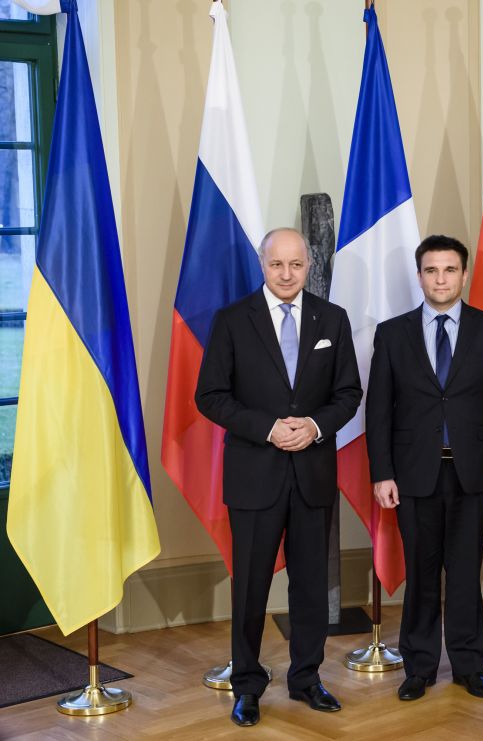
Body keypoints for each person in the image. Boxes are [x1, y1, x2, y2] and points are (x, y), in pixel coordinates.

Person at [196, 227, 362, 726]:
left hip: (312, 473)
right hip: (255, 475)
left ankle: (306, 678)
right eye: (276, 265)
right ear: (262, 265)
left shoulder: (332, 318)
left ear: (308, 265)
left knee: (311, 585)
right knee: (249, 586)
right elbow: (211, 396)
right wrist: (268, 429)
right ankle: (247, 684)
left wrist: (312, 426)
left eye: (295, 265)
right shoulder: (231, 321)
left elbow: (349, 393)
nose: (286, 274)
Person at [366, 235, 483, 702]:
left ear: (463, 274)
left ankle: (470, 666)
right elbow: (379, 410)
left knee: (464, 570)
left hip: (473, 473)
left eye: (449, 270)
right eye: (432, 270)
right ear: (420, 276)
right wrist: (382, 472)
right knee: (421, 570)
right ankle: (418, 667)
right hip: (413, 474)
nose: (440, 279)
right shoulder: (392, 334)